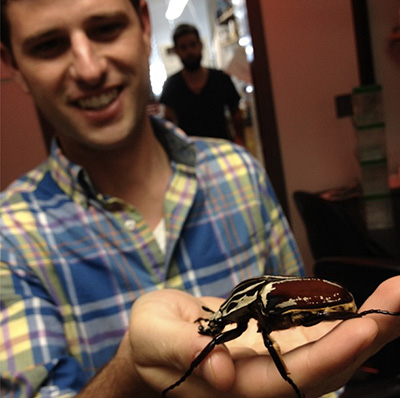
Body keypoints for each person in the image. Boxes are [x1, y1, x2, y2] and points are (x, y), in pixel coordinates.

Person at [0, 1, 399, 397]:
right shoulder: (10, 236)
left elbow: (312, 336)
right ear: (12, 62)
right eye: (49, 44)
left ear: (142, 24)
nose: (89, 68)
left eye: (104, 28)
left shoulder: (240, 173)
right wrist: (131, 374)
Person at [160, 23, 246, 145]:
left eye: (193, 45)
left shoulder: (221, 79)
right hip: (189, 154)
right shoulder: (171, 85)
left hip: (223, 149)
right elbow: (168, 122)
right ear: (176, 51)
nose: (189, 51)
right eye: (183, 47)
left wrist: (240, 140)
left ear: (201, 45)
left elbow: (236, 114)